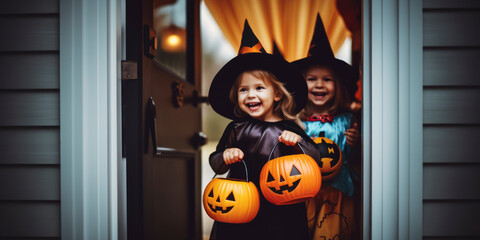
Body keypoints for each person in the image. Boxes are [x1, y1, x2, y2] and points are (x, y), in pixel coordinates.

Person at [207, 20, 321, 240]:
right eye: (243, 90)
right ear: (236, 96)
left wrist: (297, 141)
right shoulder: (237, 129)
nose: (251, 95)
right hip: (240, 204)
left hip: (283, 208)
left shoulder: (289, 128)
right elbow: (215, 163)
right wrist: (225, 156)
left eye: (259, 88)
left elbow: (315, 157)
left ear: (277, 94)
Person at [292, 14, 360, 239]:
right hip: (302, 192)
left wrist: (356, 143)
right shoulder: (295, 122)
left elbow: (359, 159)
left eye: (327, 79)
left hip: (338, 192)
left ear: (337, 85)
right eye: (312, 79)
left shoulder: (348, 121)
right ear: (302, 86)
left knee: (334, 233)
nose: (319, 84)